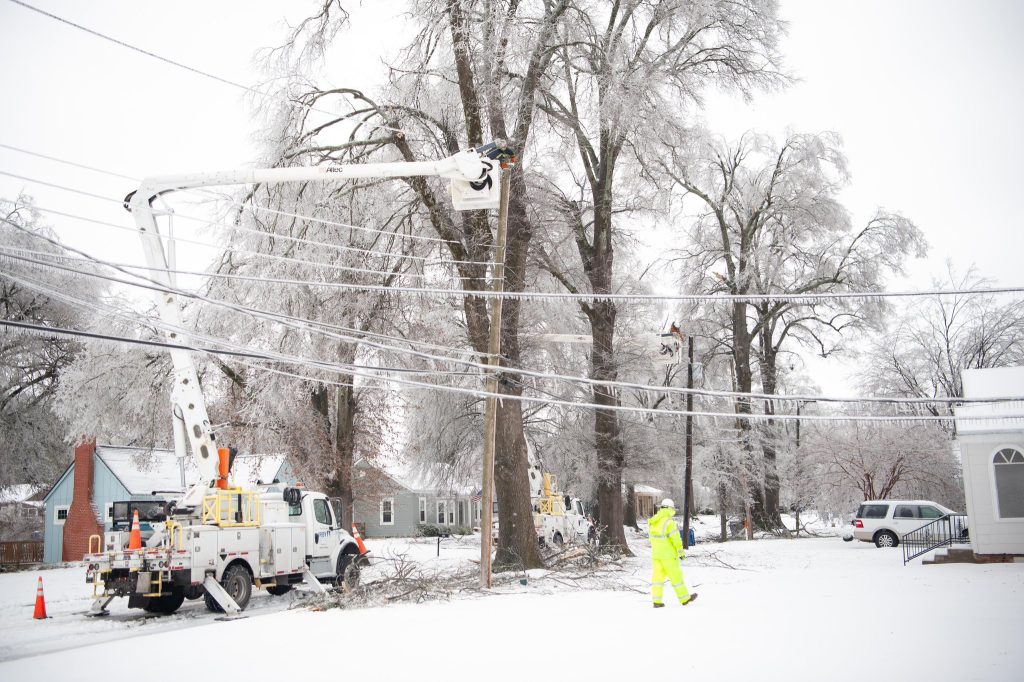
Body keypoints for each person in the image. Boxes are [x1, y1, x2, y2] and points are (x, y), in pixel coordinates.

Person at [648, 498, 697, 608]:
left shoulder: (653, 521)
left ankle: (657, 601)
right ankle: (684, 598)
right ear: (670, 509)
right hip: (669, 556)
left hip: (656, 555)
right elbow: (676, 540)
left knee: (657, 578)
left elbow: (650, 539)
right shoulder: (669, 522)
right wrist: (681, 552)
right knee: (676, 577)